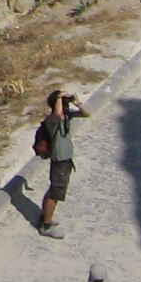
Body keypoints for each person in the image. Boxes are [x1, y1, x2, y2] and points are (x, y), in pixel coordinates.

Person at [34, 88, 90, 237]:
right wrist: (59, 97)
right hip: (60, 161)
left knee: (52, 190)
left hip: (65, 160)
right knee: (56, 193)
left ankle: (44, 216)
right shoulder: (52, 120)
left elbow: (86, 114)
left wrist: (77, 103)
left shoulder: (67, 117)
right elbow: (58, 114)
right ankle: (46, 226)